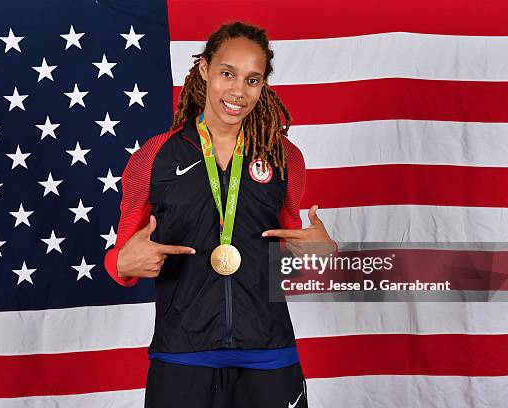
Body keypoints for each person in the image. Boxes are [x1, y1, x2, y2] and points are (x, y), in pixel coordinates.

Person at [104, 21, 336, 408]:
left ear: (263, 86)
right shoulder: (154, 157)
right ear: (204, 70)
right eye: (227, 73)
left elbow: (290, 251)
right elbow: (121, 257)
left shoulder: (285, 157)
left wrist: (322, 253)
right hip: (181, 354)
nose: (238, 92)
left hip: (269, 353)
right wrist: (122, 264)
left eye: (252, 80)